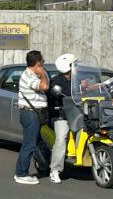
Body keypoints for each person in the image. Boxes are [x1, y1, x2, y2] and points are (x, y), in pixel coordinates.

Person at [15, 50, 48, 186]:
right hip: (30, 114)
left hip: (35, 113)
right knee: (29, 144)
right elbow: (45, 86)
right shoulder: (28, 76)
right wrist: (42, 73)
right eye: (42, 62)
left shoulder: (34, 74)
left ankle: (43, 166)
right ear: (38, 62)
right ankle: (21, 173)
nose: (43, 65)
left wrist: (41, 73)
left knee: (36, 142)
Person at [47, 54, 74, 184]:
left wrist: (87, 87)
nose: (76, 67)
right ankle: (55, 170)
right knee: (61, 138)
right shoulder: (56, 81)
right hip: (61, 115)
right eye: (73, 65)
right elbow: (57, 97)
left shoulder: (78, 79)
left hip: (77, 114)